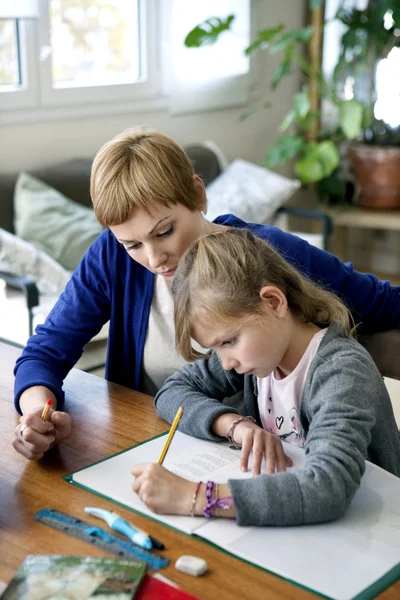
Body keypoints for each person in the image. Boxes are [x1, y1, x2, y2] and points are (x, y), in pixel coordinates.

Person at [13, 126, 400, 461]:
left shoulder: (264, 255)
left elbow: (383, 303)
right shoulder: (112, 257)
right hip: (152, 441)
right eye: (133, 244)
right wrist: (37, 415)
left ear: (198, 195)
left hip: (256, 455)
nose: (153, 258)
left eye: (164, 231)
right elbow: (47, 350)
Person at [132, 228, 400, 526]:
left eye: (228, 341)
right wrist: (235, 425)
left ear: (273, 302)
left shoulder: (341, 370)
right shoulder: (260, 355)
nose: (227, 363)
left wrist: (193, 496)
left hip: (375, 529)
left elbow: (328, 487)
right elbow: (173, 392)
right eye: (215, 348)